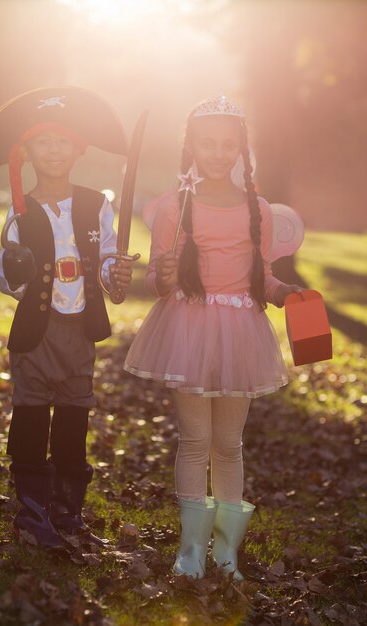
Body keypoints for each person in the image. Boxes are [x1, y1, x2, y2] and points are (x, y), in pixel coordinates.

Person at [124, 95, 302, 579]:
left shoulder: (256, 208)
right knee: (195, 439)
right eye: (208, 143)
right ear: (191, 147)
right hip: (188, 326)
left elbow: (260, 274)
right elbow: (157, 285)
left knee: (228, 443)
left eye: (228, 144)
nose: (218, 153)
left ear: (241, 149)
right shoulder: (173, 207)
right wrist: (160, 273)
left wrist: (285, 291)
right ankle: (189, 550)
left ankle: (226, 553)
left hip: (240, 331)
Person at [0, 86, 134, 549]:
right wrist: (17, 270)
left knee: (72, 415)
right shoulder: (21, 209)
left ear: (79, 148)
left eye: (63, 140)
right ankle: (33, 509)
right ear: (24, 152)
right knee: (29, 414)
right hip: (35, 332)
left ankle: (68, 508)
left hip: (79, 330)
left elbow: (104, 259)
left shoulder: (94, 205)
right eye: (42, 142)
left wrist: (114, 272)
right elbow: (6, 272)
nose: (54, 150)